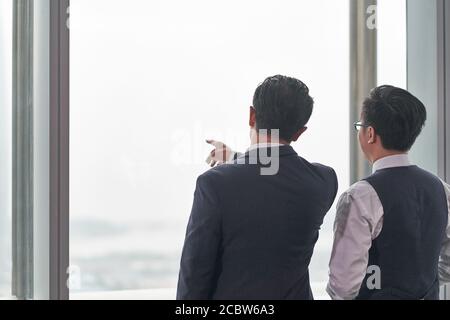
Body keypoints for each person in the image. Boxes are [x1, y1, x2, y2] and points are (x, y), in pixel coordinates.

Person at [177, 75, 338, 300]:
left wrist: (236, 160)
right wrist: (235, 158)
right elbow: (274, 176)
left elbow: (195, 276)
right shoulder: (324, 181)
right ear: (300, 132)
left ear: (252, 115)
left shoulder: (213, 184)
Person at [327, 85, 450, 300]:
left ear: (370, 133)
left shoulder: (360, 196)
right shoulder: (441, 188)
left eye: (360, 127)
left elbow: (343, 286)